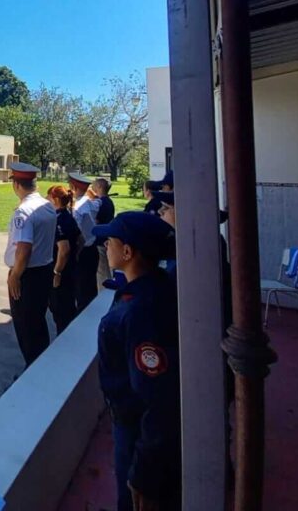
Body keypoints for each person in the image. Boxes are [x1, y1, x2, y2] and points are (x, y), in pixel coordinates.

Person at [93, 212, 180, 511]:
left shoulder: (141, 311)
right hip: (133, 423)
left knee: (131, 499)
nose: (106, 245)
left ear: (128, 252)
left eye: (111, 241)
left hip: (137, 430)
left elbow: (159, 399)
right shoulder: (152, 288)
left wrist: (145, 471)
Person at [4, 163, 57, 369]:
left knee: (26, 327)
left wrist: (15, 276)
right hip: (44, 270)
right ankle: (39, 367)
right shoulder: (47, 206)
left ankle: (33, 371)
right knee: (37, 323)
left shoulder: (23, 211)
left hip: (27, 275)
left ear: (17, 184)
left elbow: (23, 248)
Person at [46, 184, 81, 338]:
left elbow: (64, 248)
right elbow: (81, 240)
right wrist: (74, 257)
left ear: (55, 199)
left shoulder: (58, 219)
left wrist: (57, 271)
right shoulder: (69, 215)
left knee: (60, 309)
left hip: (61, 272)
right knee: (68, 307)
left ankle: (65, 341)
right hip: (72, 268)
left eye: (48, 197)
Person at [69, 172, 101, 312]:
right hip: (93, 248)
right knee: (90, 286)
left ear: (73, 187)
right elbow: (98, 201)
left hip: (82, 250)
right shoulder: (91, 203)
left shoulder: (77, 209)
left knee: (82, 290)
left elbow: (78, 235)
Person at [92, 178, 116, 289]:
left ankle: (103, 294)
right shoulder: (108, 201)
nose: (92, 187)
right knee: (107, 270)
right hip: (106, 238)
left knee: (102, 272)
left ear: (100, 187)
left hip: (101, 240)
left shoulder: (101, 202)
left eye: (94, 185)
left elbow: (96, 221)